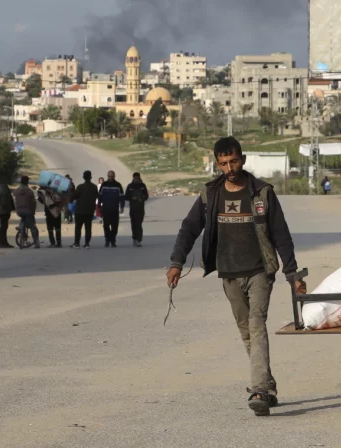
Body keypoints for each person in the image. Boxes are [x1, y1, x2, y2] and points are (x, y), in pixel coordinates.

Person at [167, 136, 306, 417]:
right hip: (229, 274)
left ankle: (259, 391)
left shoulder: (262, 193)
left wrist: (292, 273)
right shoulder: (211, 195)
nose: (229, 168)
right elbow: (189, 228)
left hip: (259, 271)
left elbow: (281, 234)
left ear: (242, 159)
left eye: (233, 161)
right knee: (246, 332)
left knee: (256, 325)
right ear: (217, 164)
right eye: (223, 164)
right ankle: (266, 383)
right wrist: (176, 263)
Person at [71, 170, 98, 248]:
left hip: (79, 210)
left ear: (83, 177)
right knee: (88, 228)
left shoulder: (80, 187)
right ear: (91, 177)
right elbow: (96, 196)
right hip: (89, 211)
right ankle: (87, 243)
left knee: (78, 227)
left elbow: (74, 197)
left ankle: (77, 243)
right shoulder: (94, 187)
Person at [98, 170, 125, 247]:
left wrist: (122, 206)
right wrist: (99, 206)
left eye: (112, 176)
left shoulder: (118, 185)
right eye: (109, 176)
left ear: (114, 176)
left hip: (114, 209)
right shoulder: (104, 185)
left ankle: (113, 241)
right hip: (106, 209)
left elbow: (122, 197)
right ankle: (107, 240)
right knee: (106, 225)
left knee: (115, 226)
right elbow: (100, 196)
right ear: (107, 176)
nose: (110, 178)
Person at [13, 176, 40, 249]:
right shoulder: (29, 191)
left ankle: (21, 228)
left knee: (22, 218)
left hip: (19, 211)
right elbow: (33, 203)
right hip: (28, 211)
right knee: (32, 227)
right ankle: (36, 243)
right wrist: (33, 211)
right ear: (27, 182)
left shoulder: (17, 191)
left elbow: (15, 200)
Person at [125, 172, 149, 247]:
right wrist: (132, 198)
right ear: (133, 178)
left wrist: (142, 199)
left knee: (139, 223)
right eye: (135, 178)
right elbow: (126, 196)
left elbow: (146, 195)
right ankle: (135, 238)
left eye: (137, 178)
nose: (136, 179)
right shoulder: (130, 186)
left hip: (140, 208)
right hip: (133, 208)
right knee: (134, 224)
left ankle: (139, 239)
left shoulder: (142, 186)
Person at [0, 181, 15, 248]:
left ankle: (3, 242)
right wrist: (10, 208)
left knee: (3, 227)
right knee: (4, 227)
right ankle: (2, 243)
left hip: (0, 210)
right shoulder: (5, 190)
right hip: (4, 211)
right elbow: (5, 202)